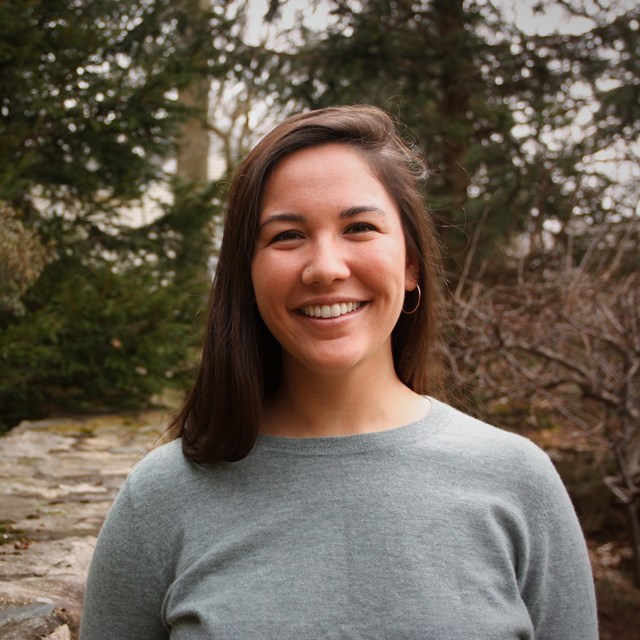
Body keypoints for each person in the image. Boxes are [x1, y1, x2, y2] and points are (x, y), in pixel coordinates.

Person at [79, 105, 598, 639]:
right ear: (248, 273)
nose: (326, 267)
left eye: (360, 227)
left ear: (412, 263)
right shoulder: (162, 499)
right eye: (286, 236)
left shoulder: (517, 482)